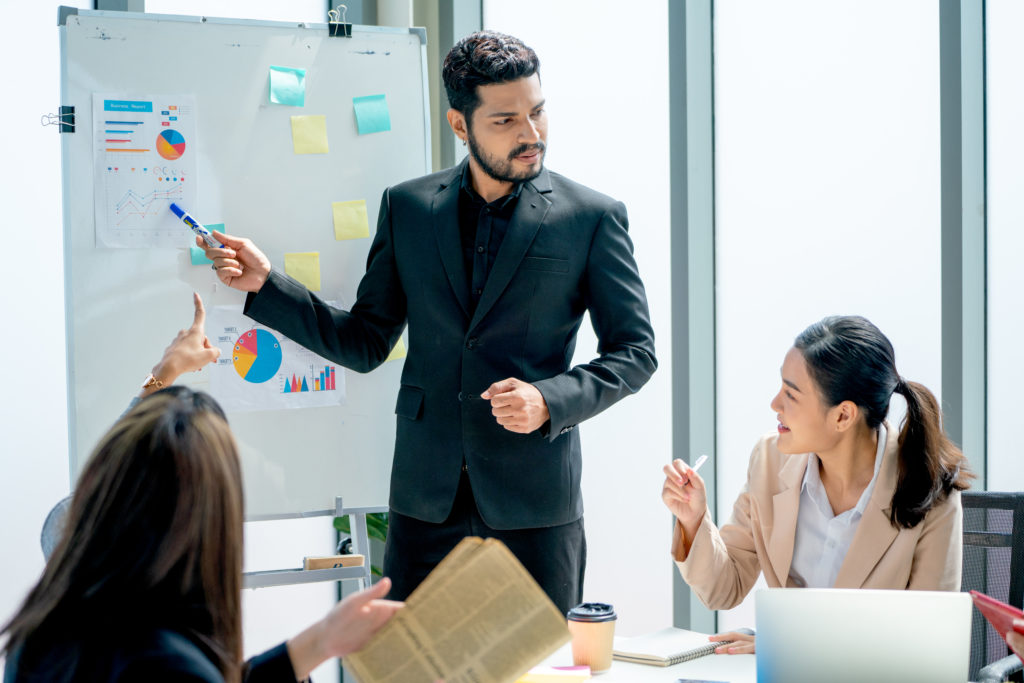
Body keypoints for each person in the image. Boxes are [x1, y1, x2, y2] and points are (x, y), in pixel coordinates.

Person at [198, 31, 657, 613]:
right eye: (506, 120)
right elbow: (366, 341)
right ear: (460, 125)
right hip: (424, 501)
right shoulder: (409, 207)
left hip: (534, 503)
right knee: (407, 669)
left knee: (539, 673)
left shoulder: (591, 217)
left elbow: (635, 351)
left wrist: (549, 400)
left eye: (538, 112)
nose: (531, 135)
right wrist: (268, 286)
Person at [3, 295, 403, 682]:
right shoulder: (164, 658)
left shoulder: (46, 628)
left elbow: (87, 509)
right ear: (210, 516)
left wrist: (162, 375)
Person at [661, 315, 972, 654]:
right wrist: (694, 521)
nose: (774, 404)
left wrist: (787, 646)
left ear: (843, 416)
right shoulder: (769, 460)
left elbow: (926, 644)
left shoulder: (930, 489)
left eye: (791, 395)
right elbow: (725, 588)